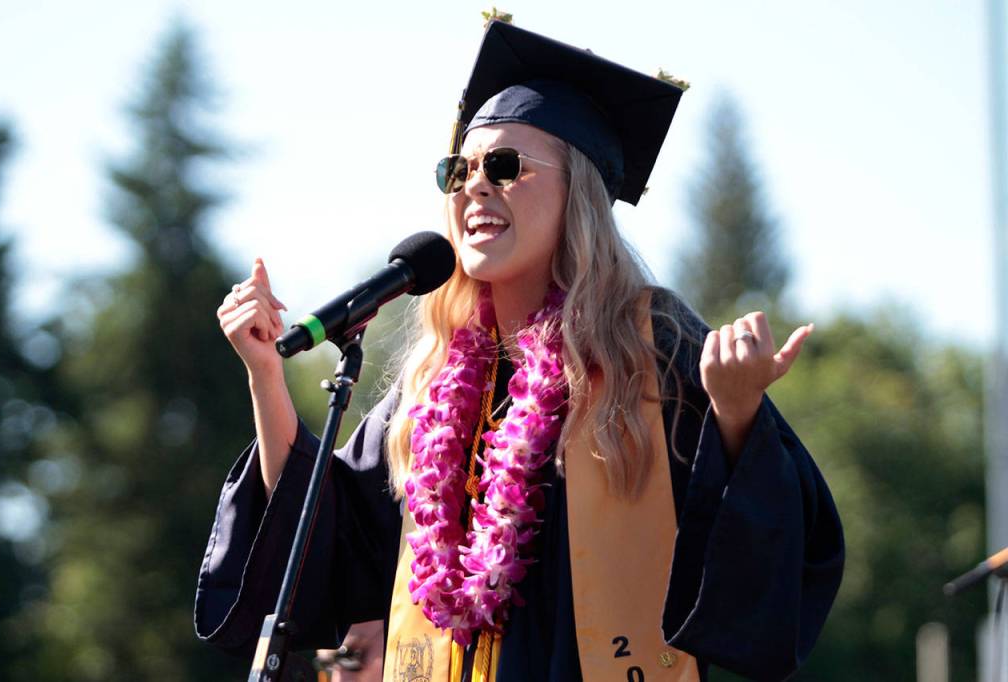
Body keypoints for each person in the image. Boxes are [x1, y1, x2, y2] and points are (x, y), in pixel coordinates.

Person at [195, 19, 844, 682]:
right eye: (460, 170)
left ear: (579, 196)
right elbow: (326, 541)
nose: (475, 186)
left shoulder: (649, 348)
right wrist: (266, 378)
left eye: (505, 167)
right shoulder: (432, 386)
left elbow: (766, 577)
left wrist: (735, 416)